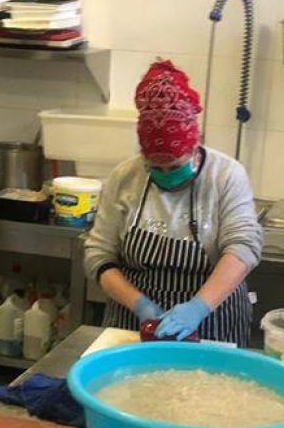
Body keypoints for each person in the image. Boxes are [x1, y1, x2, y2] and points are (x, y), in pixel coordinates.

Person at [83, 60, 263, 345]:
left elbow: (243, 247)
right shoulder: (125, 177)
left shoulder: (226, 176)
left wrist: (198, 308)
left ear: (195, 146)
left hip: (212, 324)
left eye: (175, 165)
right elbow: (98, 254)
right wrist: (141, 306)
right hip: (133, 324)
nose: (166, 174)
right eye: (156, 167)